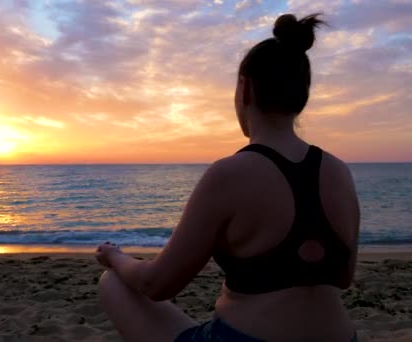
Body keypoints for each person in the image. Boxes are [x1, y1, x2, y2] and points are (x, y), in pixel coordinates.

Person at [96, 13, 360, 342]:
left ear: (245, 88)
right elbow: (343, 278)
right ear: (301, 97)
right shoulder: (339, 171)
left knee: (113, 283)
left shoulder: (230, 173)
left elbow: (156, 284)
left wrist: (115, 257)